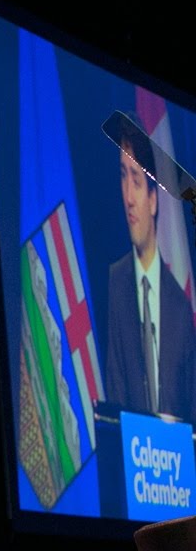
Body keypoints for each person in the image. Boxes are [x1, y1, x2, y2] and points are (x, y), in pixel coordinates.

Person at [103, 119, 196, 421]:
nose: (128, 198)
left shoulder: (180, 307)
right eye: (123, 176)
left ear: (154, 200)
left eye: (137, 181)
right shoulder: (114, 284)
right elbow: (113, 393)